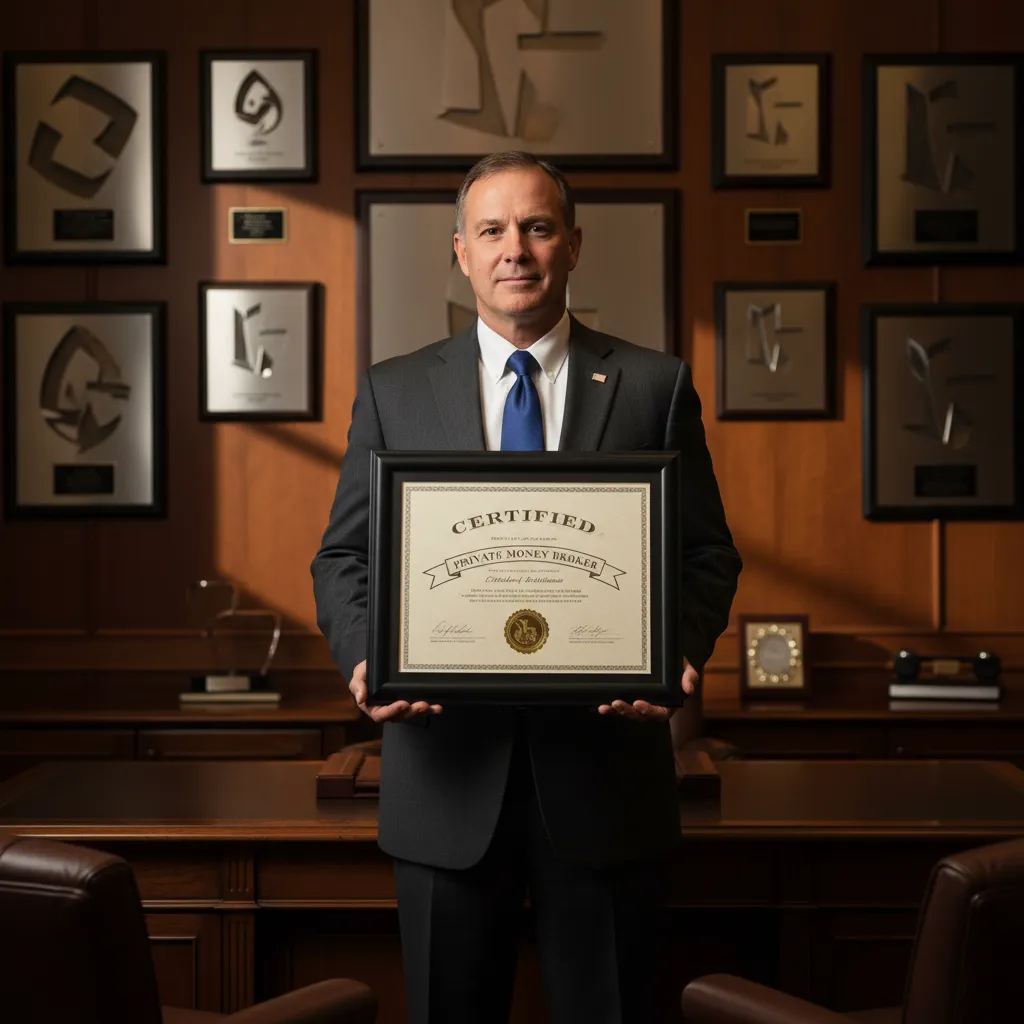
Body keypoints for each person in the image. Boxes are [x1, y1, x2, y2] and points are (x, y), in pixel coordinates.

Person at [311, 151, 741, 1024]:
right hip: (443, 782)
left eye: (538, 228)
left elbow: (706, 554)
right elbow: (344, 558)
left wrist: (672, 654)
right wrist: (365, 659)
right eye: (493, 230)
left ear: (573, 245)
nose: (516, 249)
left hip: (607, 784)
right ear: (461, 252)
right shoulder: (395, 390)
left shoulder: (653, 385)